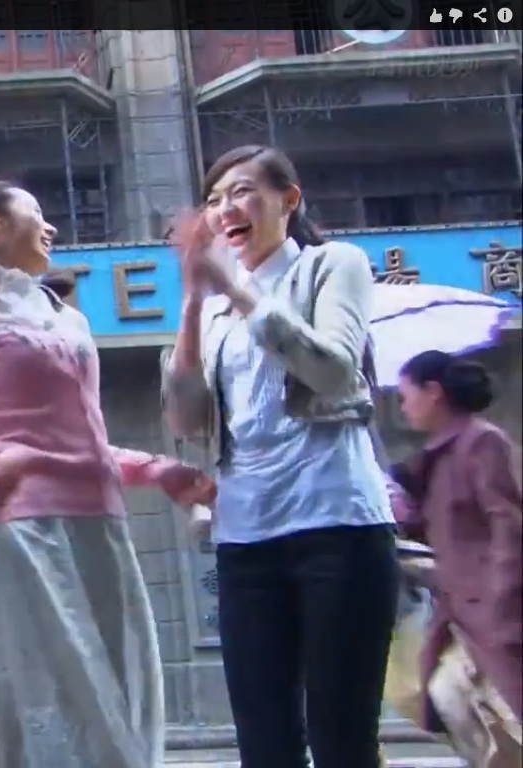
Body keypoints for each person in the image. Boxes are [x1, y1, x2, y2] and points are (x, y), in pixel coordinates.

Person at [0, 180, 214, 767]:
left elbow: (86, 445)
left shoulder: (70, 321)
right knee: (64, 709)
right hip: (27, 534)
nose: (50, 228)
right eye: (36, 213)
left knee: (123, 699)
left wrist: (158, 470)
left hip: (103, 535)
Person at [162, 144, 399, 768]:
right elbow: (185, 420)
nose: (225, 210)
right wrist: (194, 301)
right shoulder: (214, 308)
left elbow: (335, 372)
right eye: (214, 201)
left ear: (289, 199)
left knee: (343, 739)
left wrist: (235, 291)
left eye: (242, 192)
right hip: (246, 540)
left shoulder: (332, 265)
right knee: (265, 745)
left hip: (338, 527)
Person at [392, 350, 522, 766]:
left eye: (406, 395)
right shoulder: (435, 459)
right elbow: (439, 527)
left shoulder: (482, 442)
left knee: (502, 718)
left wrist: (503, 605)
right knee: (457, 707)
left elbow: (507, 524)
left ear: (433, 392)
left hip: (493, 612)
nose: (403, 406)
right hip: (458, 613)